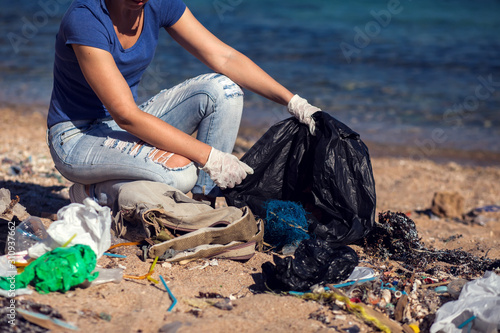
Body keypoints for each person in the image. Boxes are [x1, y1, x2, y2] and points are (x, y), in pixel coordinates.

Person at [47, 0, 321, 208]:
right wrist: (210, 157)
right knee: (179, 174)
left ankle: (206, 199)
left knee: (223, 89)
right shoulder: (85, 18)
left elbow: (224, 58)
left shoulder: (158, 3)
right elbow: (125, 115)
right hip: (76, 137)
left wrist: (294, 101)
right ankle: (91, 192)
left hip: (122, 123)